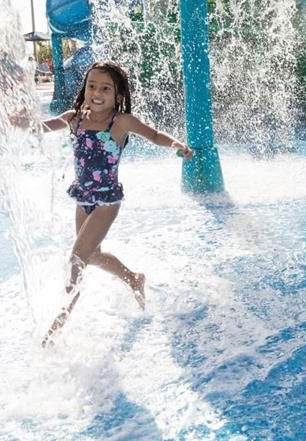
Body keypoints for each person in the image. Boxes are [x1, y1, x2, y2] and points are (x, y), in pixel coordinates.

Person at [22, 61, 194, 346]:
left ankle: (55, 328)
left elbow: (153, 135)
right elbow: (41, 129)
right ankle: (134, 279)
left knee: (76, 260)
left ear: (118, 95)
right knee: (92, 256)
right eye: (92, 86)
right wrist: (22, 122)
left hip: (106, 200)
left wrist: (178, 145)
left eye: (105, 88)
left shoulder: (121, 122)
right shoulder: (75, 118)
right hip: (83, 197)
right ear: (84, 89)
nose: (97, 93)